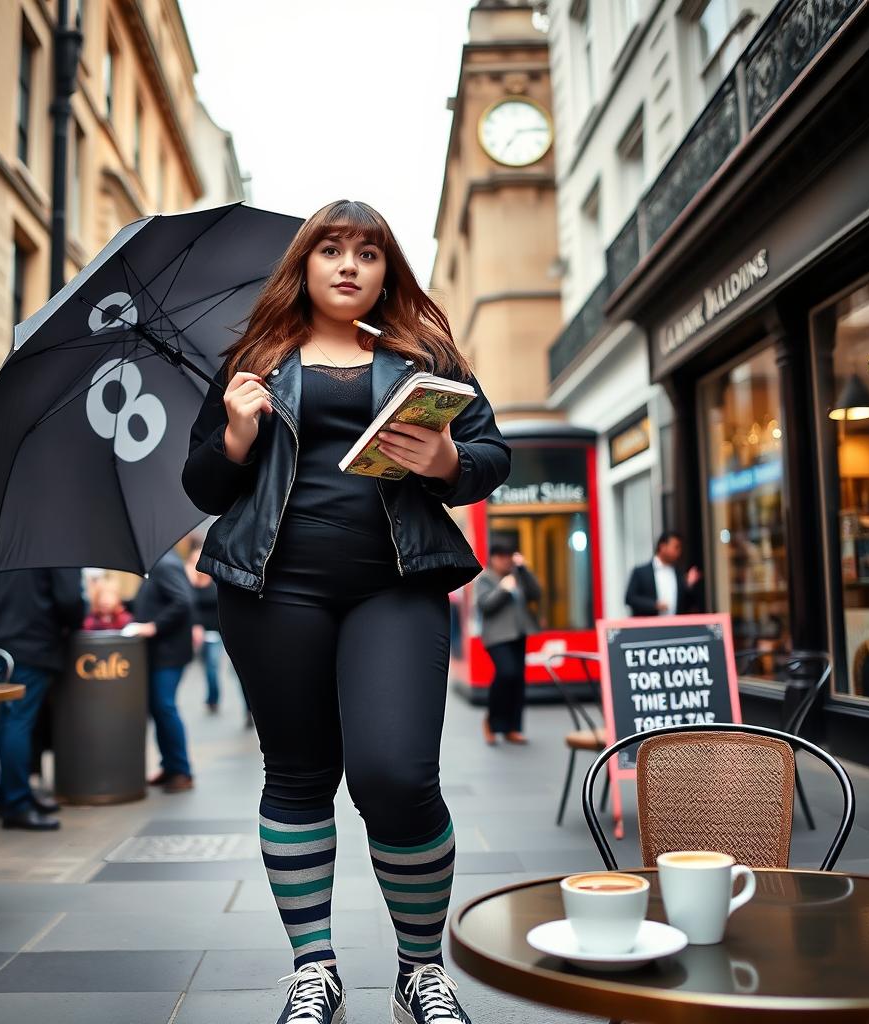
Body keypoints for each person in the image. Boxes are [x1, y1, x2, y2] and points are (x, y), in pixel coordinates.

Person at [183, 200, 510, 1024]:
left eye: (367, 252)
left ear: (385, 270)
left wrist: (446, 460)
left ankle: (419, 969)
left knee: (395, 776)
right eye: (330, 249)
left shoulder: (422, 356)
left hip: (395, 586)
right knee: (297, 775)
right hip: (272, 588)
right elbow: (201, 487)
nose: (348, 264)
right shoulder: (255, 361)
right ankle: (313, 969)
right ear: (305, 264)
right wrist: (233, 435)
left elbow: (490, 455)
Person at [0, 567, 84, 830]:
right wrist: (74, 623)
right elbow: (70, 599)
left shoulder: (9, 545)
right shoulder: (58, 547)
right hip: (36, 644)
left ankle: (11, 795)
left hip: (6, 644)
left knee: (9, 721)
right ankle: (16, 803)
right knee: (18, 723)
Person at [128, 548, 196, 792]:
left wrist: (153, 627)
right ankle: (170, 766)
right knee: (160, 709)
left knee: (165, 707)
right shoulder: (159, 564)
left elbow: (183, 601)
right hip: (162, 654)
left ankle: (181, 771)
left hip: (168, 654)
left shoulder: (164, 564)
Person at [474, 544, 541, 746]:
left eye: (509, 556)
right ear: (493, 558)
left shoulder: (517, 574)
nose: (506, 561)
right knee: (506, 673)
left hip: (518, 634)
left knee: (517, 681)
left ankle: (512, 728)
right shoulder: (485, 578)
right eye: (502, 557)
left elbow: (535, 593)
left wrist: (524, 570)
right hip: (496, 637)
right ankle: (491, 721)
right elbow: (485, 605)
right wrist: (503, 589)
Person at [185, 539, 252, 728]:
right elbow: (187, 606)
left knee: (235, 670)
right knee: (210, 669)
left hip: (222, 631)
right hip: (202, 634)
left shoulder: (216, 579)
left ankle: (249, 708)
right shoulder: (188, 584)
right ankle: (213, 698)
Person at [625, 530, 702, 617]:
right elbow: (630, 598)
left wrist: (689, 585)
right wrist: (654, 605)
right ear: (663, 547)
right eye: (676, 547)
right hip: (648, 627)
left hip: (676, 627)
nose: (679, 552)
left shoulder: (679, 573)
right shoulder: (641, 572)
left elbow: (688, 604)